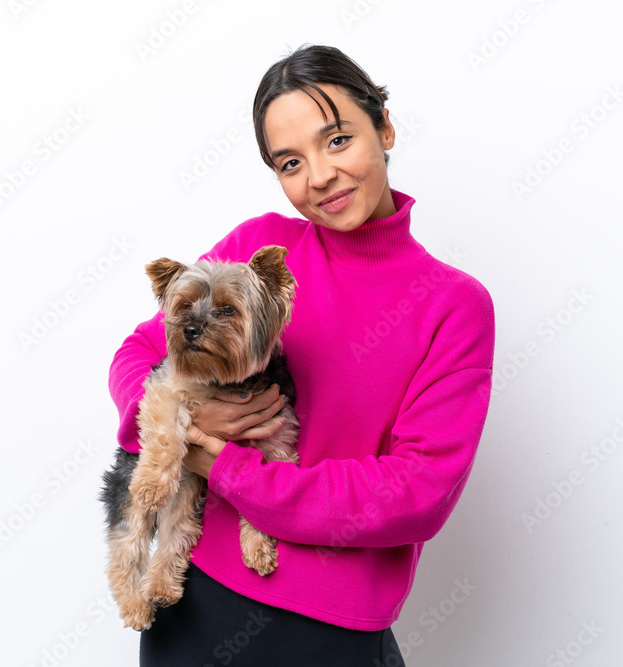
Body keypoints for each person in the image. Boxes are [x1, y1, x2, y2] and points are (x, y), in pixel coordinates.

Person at [108, 43, 495, 666]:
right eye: (291, 162)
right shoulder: (259, 246)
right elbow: (141, 352)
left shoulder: (453, 304)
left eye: (337, 140)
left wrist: (226, 468)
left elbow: (418, 491)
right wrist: (185, 420)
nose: (319, 176)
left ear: (385, 127)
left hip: (328, 627)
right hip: (194, 598)